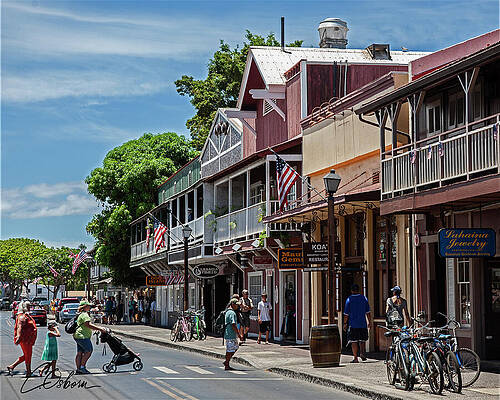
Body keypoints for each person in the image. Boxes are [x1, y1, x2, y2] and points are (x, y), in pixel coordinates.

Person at [73, 300, 106, 374]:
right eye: (88, 306)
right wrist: (100, 329)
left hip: (78, 335)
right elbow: (88, 325)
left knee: (80, 352)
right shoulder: (84, 314)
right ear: (85, 307)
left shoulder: (80, 314)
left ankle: (78, 369)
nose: (89, 307)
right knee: (88, 351)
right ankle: (82, 367)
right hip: (83, 336)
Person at [6, 301, 38, 377]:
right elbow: (19, 327)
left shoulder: (26, 315)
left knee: (26, 355)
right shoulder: (21, 316)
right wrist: (19, 336)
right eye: (28, 306)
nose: (30, 307)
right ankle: (28, 372)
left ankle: (12, 366)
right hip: (25, 340)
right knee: (28, 355)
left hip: (28, 339)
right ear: (24, 307)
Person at [343, 284, 372, 363]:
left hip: (353, 324)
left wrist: (345, 323)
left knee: (354, 341)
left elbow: (346, 314)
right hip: (362, 323)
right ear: (359, 290)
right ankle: (362, 353)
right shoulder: (364, 298)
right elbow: (368, 312)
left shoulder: (349, 300)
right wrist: (370, 322)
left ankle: (355, 358)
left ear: (351, 291)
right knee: (362, 340)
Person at [223, 298, 243, 370]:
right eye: (236, 305)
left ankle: (226, 361)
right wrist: (239, 334)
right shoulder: (231, 313)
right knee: (230, 349)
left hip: (230, 333)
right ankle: (227, 363)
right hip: (230, 333)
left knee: (235, 347)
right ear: (233, 304)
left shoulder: (229, 312)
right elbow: (233, 324)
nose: (237, 306)